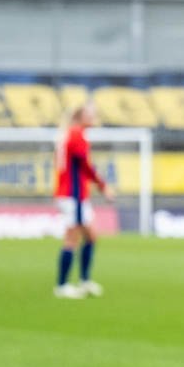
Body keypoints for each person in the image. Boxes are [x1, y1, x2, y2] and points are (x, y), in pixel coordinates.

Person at [52, 103, 114, 299]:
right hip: (73, 194)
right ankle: (62, 285)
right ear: (80, 116)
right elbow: (86, 167)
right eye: (90, 114)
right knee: (72, 237)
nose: (94, 117)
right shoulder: (77, 135)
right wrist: (103, 186)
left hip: (72, 193)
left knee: (91, 235)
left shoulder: (68, 134)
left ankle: (85, 281)